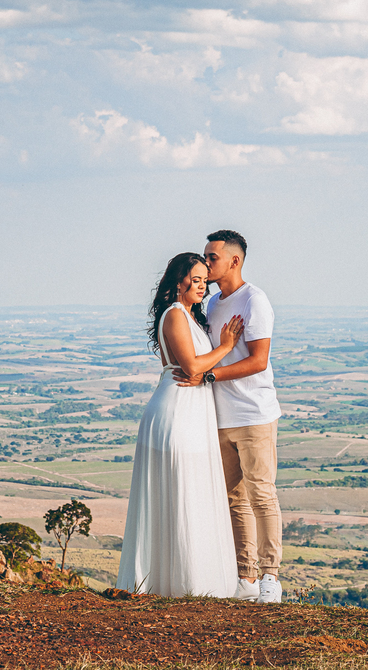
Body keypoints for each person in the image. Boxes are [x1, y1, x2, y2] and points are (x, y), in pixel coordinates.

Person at [115, 252, 244, 597]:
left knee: (188, 493)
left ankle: (185, 582)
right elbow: (191, 368)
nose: (203, 286)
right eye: (196, 279)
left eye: (205, 280)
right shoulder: (175, 315)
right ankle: (179, 584)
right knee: (181, 492)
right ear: (178, 281)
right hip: (176, 414)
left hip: (189, 411)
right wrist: (227, 346)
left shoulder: (187, 316)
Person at [175, 229, 282, 603]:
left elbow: (258, 361)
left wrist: (207, 376)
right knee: (234, 500)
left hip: (253, 414)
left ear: (234, 261)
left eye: (213, 257)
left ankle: (270, 577)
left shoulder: (255, 301)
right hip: (219, 417)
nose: (206, 264)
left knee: (262, 495)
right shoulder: (214, 302)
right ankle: (245, 578)